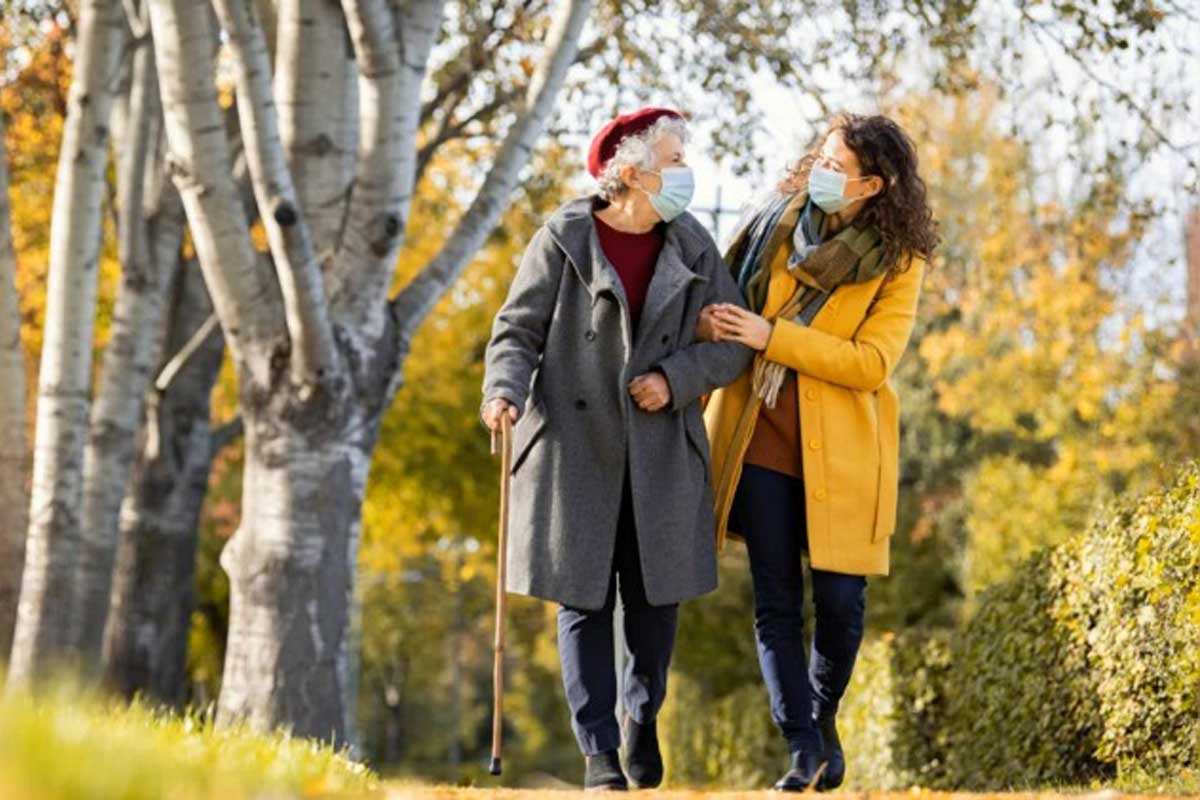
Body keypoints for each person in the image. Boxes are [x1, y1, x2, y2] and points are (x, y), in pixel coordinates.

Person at [479, 107, 755, 790]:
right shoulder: (563, 237)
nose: (685, 171)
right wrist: (502, 392)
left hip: (660, 448)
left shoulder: (692, 243)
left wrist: (676, 378)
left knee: (656, 603)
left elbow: (732, 344)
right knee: (584, 601)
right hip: (578, 448)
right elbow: (516, 332)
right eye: (674, 159)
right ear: (630, 174)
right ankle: (598, 749)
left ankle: (642, 717)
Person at [695, 111, 938, 792]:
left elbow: (871, 362)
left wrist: (770, 336)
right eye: (821, 157)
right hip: (759, 439)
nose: (821, 172)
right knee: (775, 601)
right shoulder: (774, 226)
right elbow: (722, 300)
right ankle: (801, 746)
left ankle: (823, 719)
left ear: (875, 186)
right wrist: (715, 321)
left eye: (838, 167)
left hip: (843, 456)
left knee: (840, 605)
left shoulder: (898, 261)